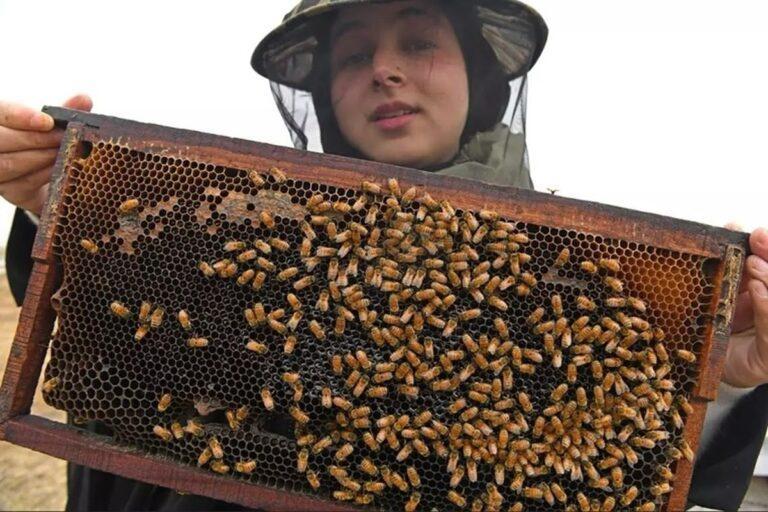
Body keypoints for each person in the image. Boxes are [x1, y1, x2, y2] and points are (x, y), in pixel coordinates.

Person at [1, 0, 767, 510]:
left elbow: (615, 473)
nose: (384, 70)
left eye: (420, 42)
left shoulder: (582, 293)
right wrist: (66, 212)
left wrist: (710, 377)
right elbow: (128, 371)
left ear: (480, 77)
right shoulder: (231, 253)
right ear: (324, 94)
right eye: (354, 53)